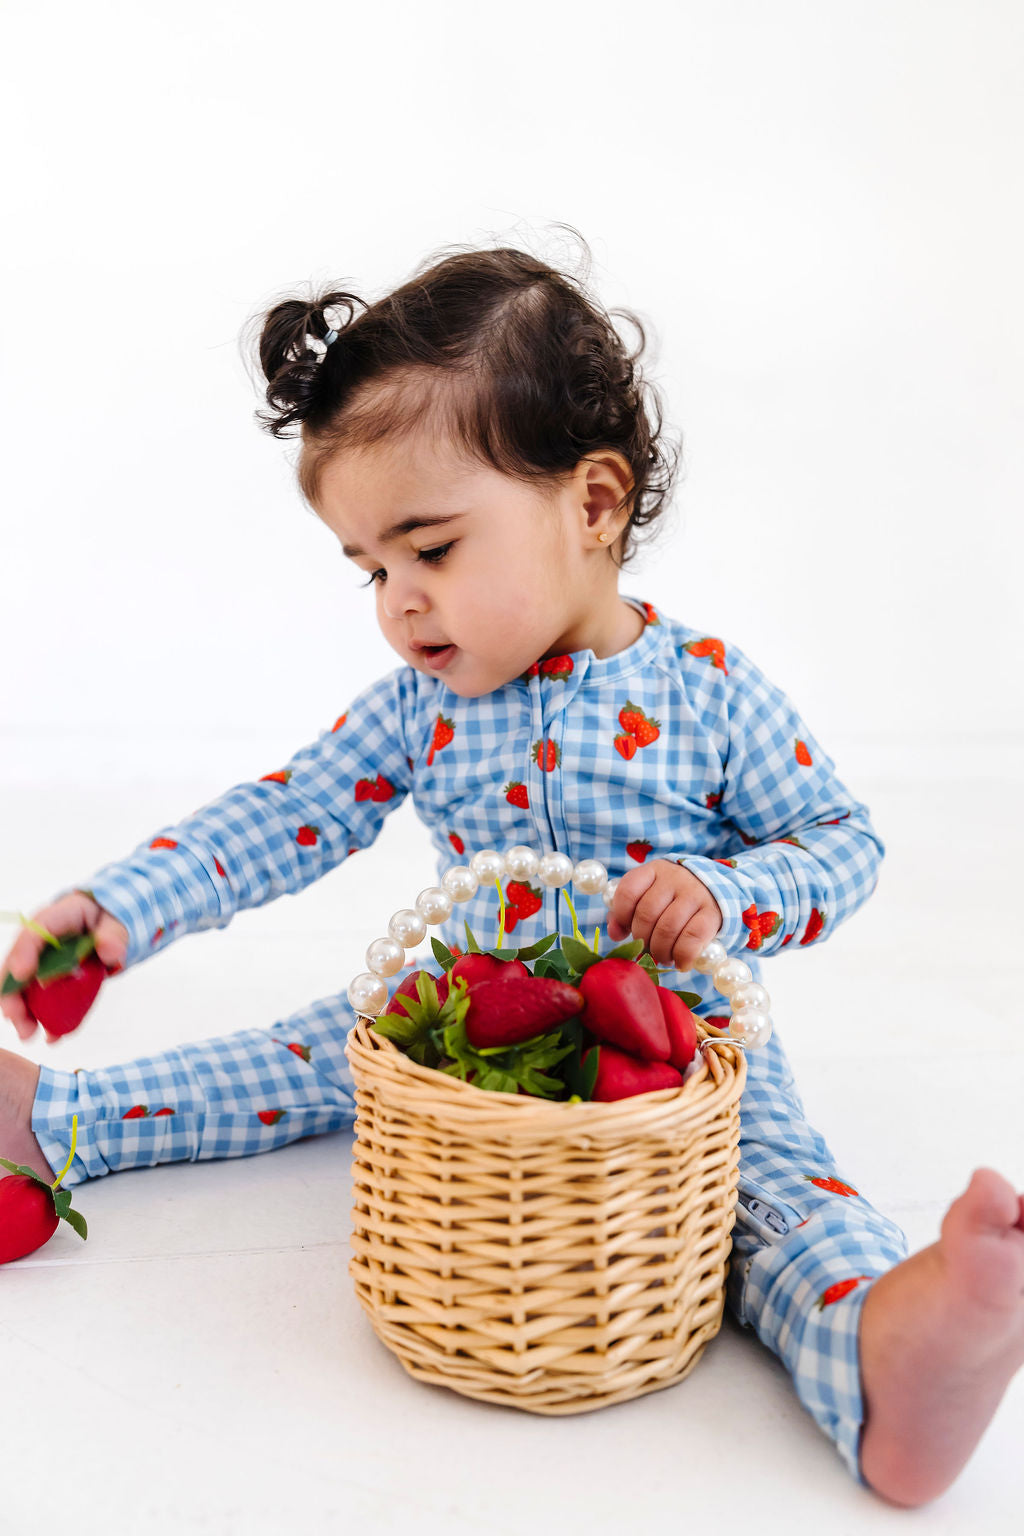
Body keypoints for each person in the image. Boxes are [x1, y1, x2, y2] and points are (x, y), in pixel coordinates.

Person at [1, 235, 1021, 1507]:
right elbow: (280, 818)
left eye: (430, 550)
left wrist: (726, 896)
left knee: (762, 1175)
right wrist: (118, 909)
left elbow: (843, 842)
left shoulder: (705, 690)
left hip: (674, 1035)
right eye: (372, 570)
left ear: (592, 506)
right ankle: (54, 1121)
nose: (399, 605)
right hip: (457, 1016)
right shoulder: (419, 709)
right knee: (305, 1055)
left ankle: (877, 1344)